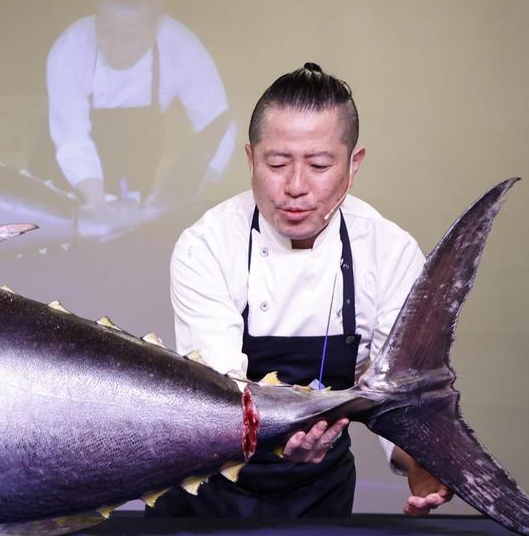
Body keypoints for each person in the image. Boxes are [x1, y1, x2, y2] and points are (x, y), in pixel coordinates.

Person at [154, 63, 451, 517]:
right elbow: (220, 394)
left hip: (321, 492)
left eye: (318, 165)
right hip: (208, 489)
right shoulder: (207, 245)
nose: (294, 187)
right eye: (276, 163)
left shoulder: (389, 251)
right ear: (250, 159)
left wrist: (421, 460)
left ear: (354, 165)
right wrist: (276, 438)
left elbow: (399, 390)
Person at [45, 0, 235, 215]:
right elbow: (72, 139)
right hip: (62, 190)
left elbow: (218, 125)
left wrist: (182, 194)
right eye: (107, 34)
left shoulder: (181, 49)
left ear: (155, 27)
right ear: (97, 18)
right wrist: (97, 207)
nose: (117, 49)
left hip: (137, 193)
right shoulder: (70, 49)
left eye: (131, 37)